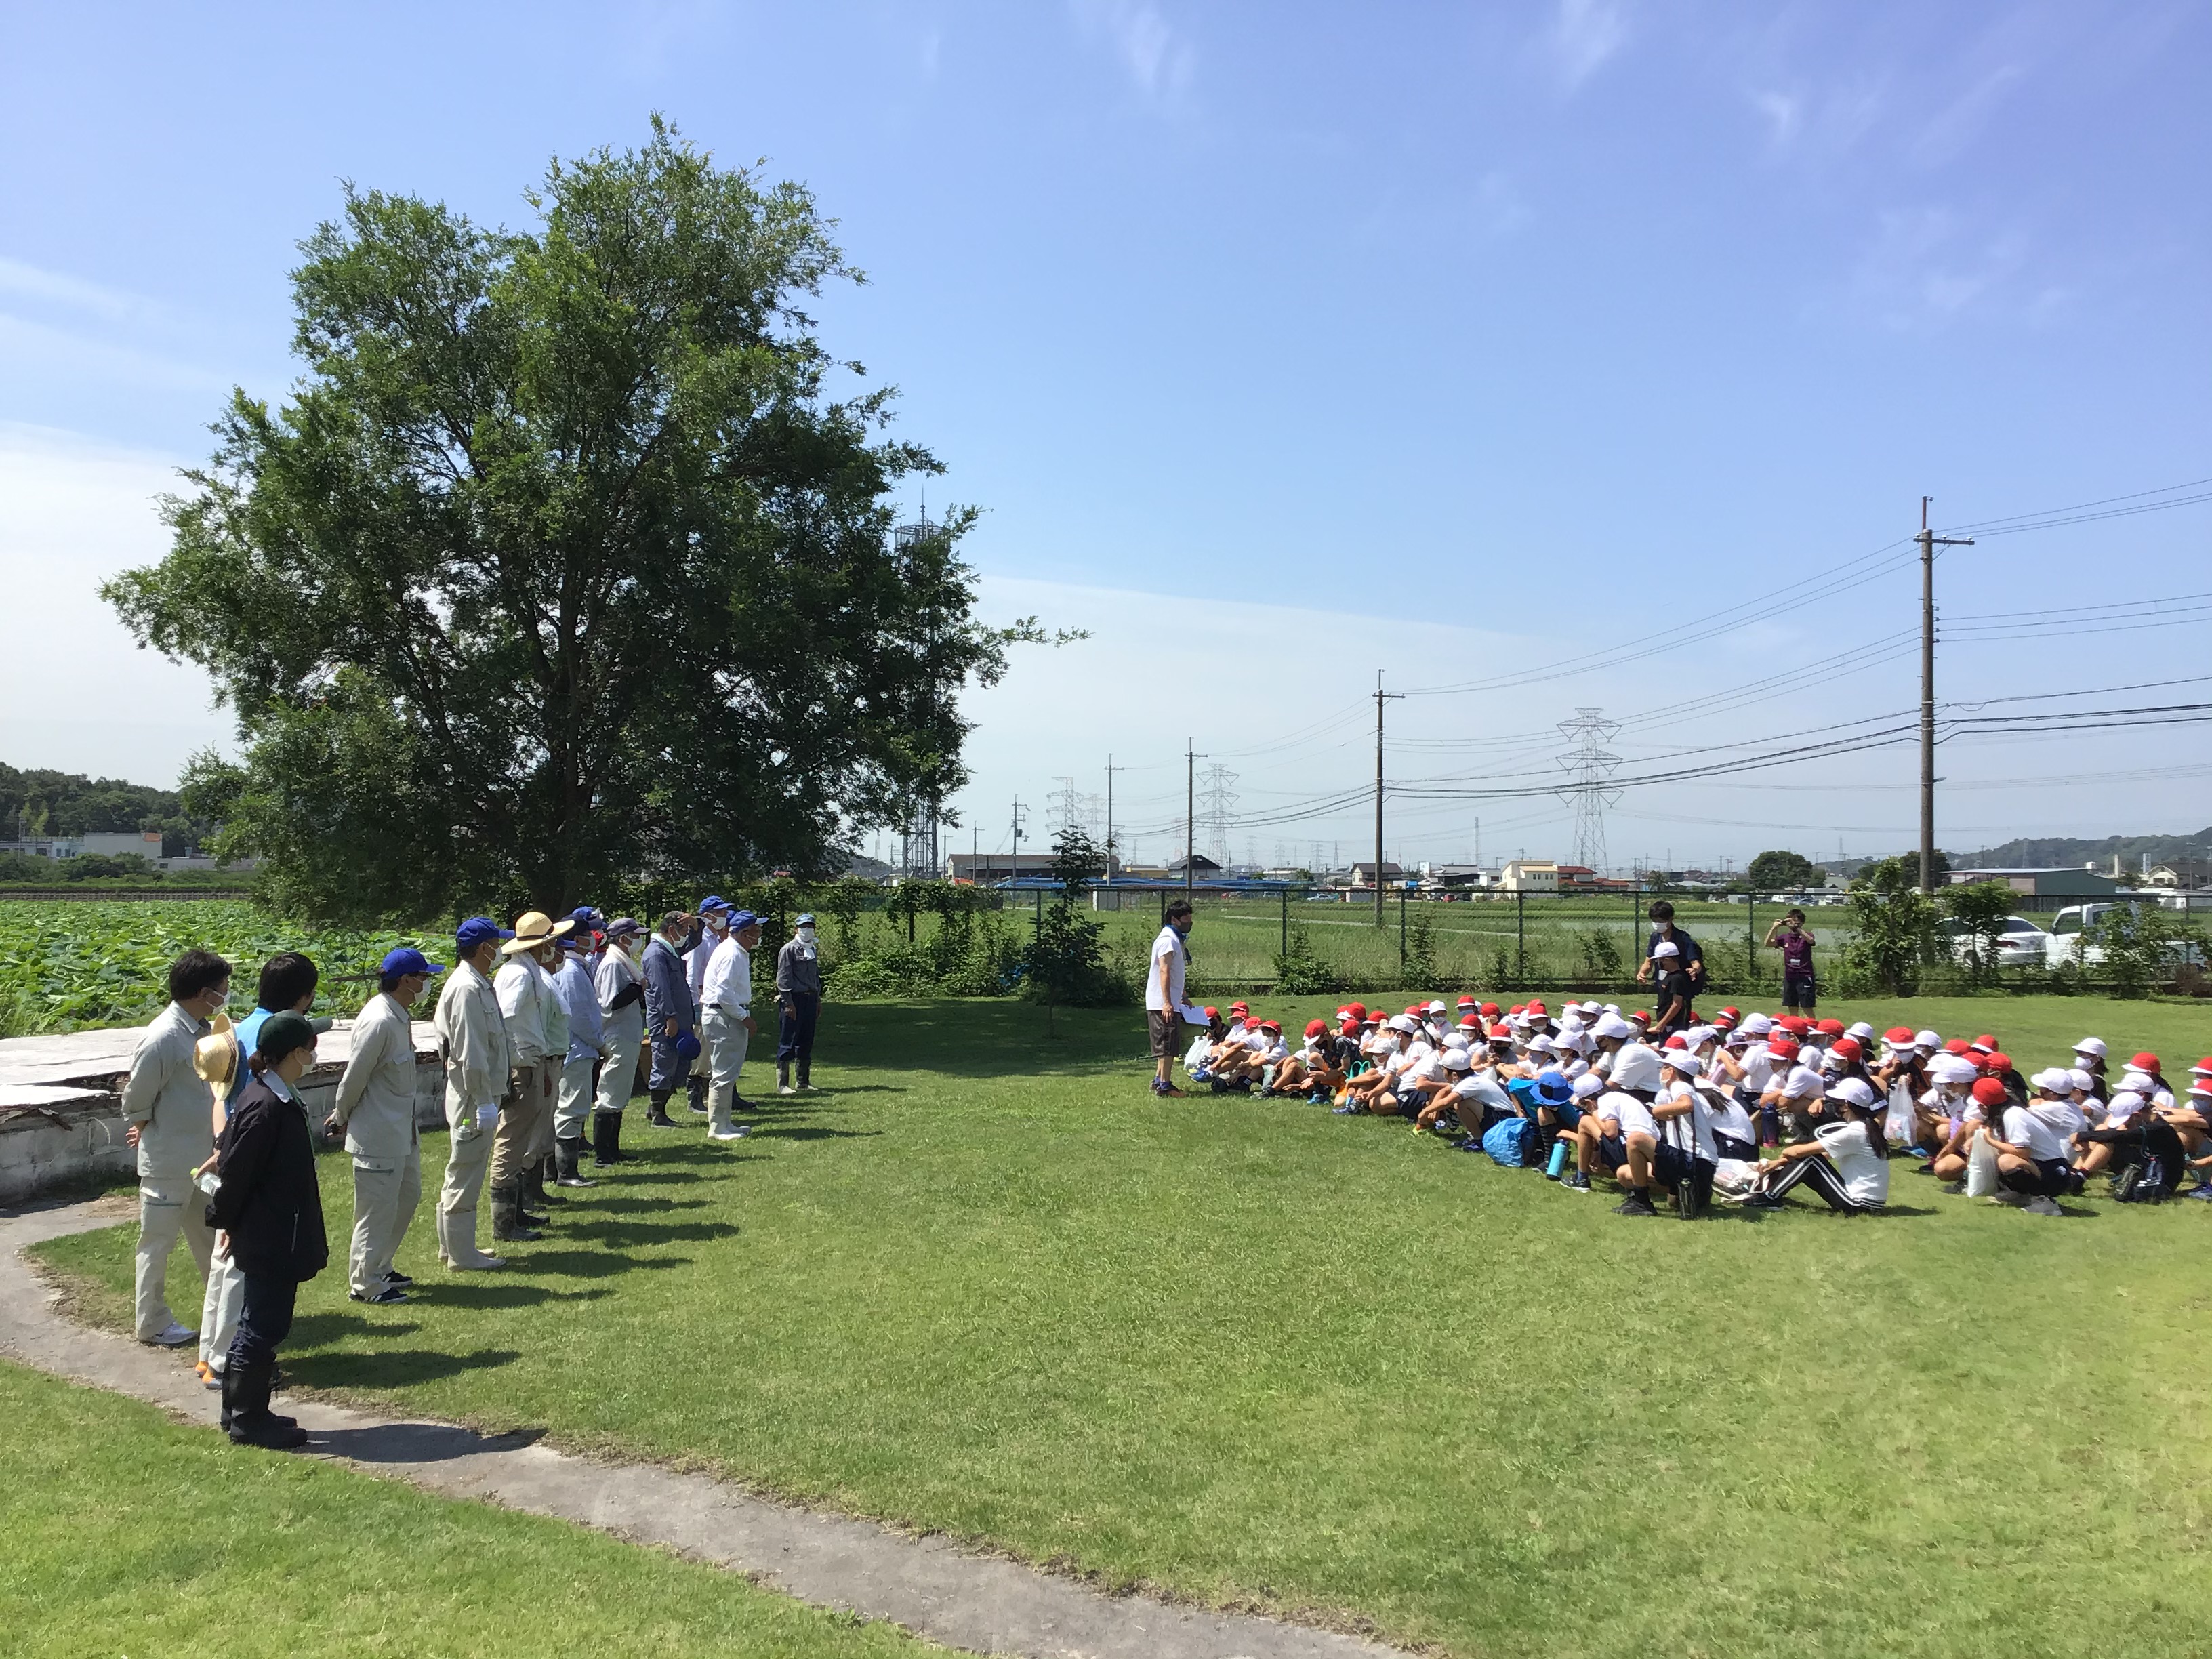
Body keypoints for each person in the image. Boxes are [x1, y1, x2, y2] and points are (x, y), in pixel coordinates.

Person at [207, 1010, 327, 1450]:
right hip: (271, 1235)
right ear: (296, 1052)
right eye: (311, 1047)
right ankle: (248, 1418)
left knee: (258, 1323)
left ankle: (238, 1410)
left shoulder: (275, 1096)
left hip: (276, 1230)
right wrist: (224, 1219)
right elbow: (237, 1172)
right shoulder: (264, 1105)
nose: (316, 1054)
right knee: (263, 1326)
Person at [122, 949, 231, 1348]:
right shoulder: (163, 1037)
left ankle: (222, 1316)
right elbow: (136, 1098)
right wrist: (146, 1127)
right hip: (168, 1164)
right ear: (204, 992)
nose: (225, 995)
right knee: (157, 1243)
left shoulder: (205, 1030)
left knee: (212, 1241)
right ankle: (151, 1323)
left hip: (202, 1162)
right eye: (221, 989)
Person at [327, 947, 441, 1303]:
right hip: (376, 1133)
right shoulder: (379, 1020)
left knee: (407, 1197)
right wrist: (340, 1115)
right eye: (422, 978)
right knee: (376, 1210)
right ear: (405, 981)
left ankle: (381, 1264)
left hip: (400, 1130)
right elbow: (354, 1076)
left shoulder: (398, 1014)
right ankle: (365, 1283)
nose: (425, 984)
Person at [430, 917, 512, 1271]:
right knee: (464, 1171)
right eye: (496, 943)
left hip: (476, 1096)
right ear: (484, 948)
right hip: (472, 1098)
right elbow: (469, 1051)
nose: (500, 950)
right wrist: (483, 1101)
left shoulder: (475, 984)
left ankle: (454, 1248)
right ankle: (461, 1256)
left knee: (464, 1170)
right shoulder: (466, 988)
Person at [492, 910, 572, 1237]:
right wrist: (517, 1067)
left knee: (524, 1138)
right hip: (521, 1065)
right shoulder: (519, 976)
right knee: (512, 1142)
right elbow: (506, 1021)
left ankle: (518, 1212)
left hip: (531, 1062)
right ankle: (505, 1220)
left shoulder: (529, 972)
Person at [1740, 1079, 1889, 1213]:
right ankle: (1769, 1195)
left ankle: (1769, 1197)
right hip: (1870, 1203)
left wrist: (1785, 1154)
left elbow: (1798, 1151)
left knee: (1809, 1158)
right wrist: (1780, 1162)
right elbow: (1824, 1156)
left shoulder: (1855, 1132)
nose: (1831, 1105)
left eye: (1836, 1102)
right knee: (1810, 1159)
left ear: (1846, 1106)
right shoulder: (1865, 1128)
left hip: (1859, 1204)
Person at [549, 933, 605, 1189]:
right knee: (571, 1110)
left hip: (574, 1049)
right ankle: (566, 1171)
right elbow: (580, 1017)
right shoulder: (571, 972)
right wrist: (600, 1043)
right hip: (577, 1050)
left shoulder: (572, 968)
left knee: (566, 1109)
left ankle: (553, 1170)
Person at [590, 918, 647, 1165]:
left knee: (619, 1093)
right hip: (617, 1034)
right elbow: (611, 1002)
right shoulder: (614, 964)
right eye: (635, 936)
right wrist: (639, 988)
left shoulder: (623, 961)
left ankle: (613, 1149)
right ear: (623, 938)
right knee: (610, 1093)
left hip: (627, 1033)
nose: (638, 941)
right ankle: (604, 1153)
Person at [700, 909, 761, 1141]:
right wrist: (744, 1017)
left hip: (726, 1014)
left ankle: (725, 1122)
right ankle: (717, 1126)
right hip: (724, 1016)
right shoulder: (732, 954)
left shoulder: (735, 951)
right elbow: (724, 994)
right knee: (723, 1074)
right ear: (744, 933)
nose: (758, 936)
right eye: (755, 931)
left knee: (729, 1072)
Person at [641, 909, 697, 1127]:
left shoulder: (671, 950)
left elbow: (694, 942)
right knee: (664, 1063)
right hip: (666, 1021)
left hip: (680, 1018)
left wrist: (695, 924)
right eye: (684, 929)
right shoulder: (656, 954)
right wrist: (669, 1017)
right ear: (672, 930)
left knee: (681, 1064)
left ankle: (654, 1107)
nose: (686, 934)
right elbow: (659, 989)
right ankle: (658, 1114)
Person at [1145, 899, 1196, 1097]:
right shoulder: (1168, 939)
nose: (1189, 922)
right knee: (1167, 1045)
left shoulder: (1175, 939)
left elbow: (1175, 972)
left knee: (1168, 1042)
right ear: (1175, 920)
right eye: (1186, 919)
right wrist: (1167, 1002)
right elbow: (1164, 971)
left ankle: (1158, 1080)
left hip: (1172, 1001)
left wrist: (1183, 996)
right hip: (1162, 1002)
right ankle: (1165, 1086)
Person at [775, 911, 824, 1095]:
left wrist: (817, 999)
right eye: (803, 927)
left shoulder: (812, 948)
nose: (807, 930)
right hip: (794, 998)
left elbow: (815, 976)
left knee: (806, 1039)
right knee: (788, 1039)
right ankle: (783, 1083)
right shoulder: (788, 950)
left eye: (810, 927)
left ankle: (803, 1081)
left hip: (810, 998)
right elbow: (783, 978)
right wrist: (788, 1003)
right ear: (796, 929)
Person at [1635, 900, 1704, 989]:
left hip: (1679, 983)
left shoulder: (1682, 938)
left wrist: (1694, 970)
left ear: (1671, 919)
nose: (1657, 924)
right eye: (1654, 921)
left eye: (1661, 921)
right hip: (1662, 982)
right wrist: (1642, 973)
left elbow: (1695, 963)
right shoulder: (1655, 937)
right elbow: (1648, 962)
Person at [1763, 908, 1818, 1013]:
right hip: (1790, 976)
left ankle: (1811, 1027)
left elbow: (1811, 941)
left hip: (1805, 976)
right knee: (1792, 1006)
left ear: (1801, 923)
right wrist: (1774, 928)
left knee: (1807, 1007)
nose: (1793, 924)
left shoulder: (1807, 935)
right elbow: (1768, 943)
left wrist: (1797, 929)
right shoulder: (1785, 938)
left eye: (1797, 922)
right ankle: (1794, 1027)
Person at [1649, 941, 1696, 1036]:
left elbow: (1677, 1004)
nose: (1659, 963)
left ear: (1668, 959)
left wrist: (1662, 1024)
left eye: (1660, 960)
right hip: (1667, 1025)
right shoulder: (1669, 976)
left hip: (1673, 1026)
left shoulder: (1677, 978)